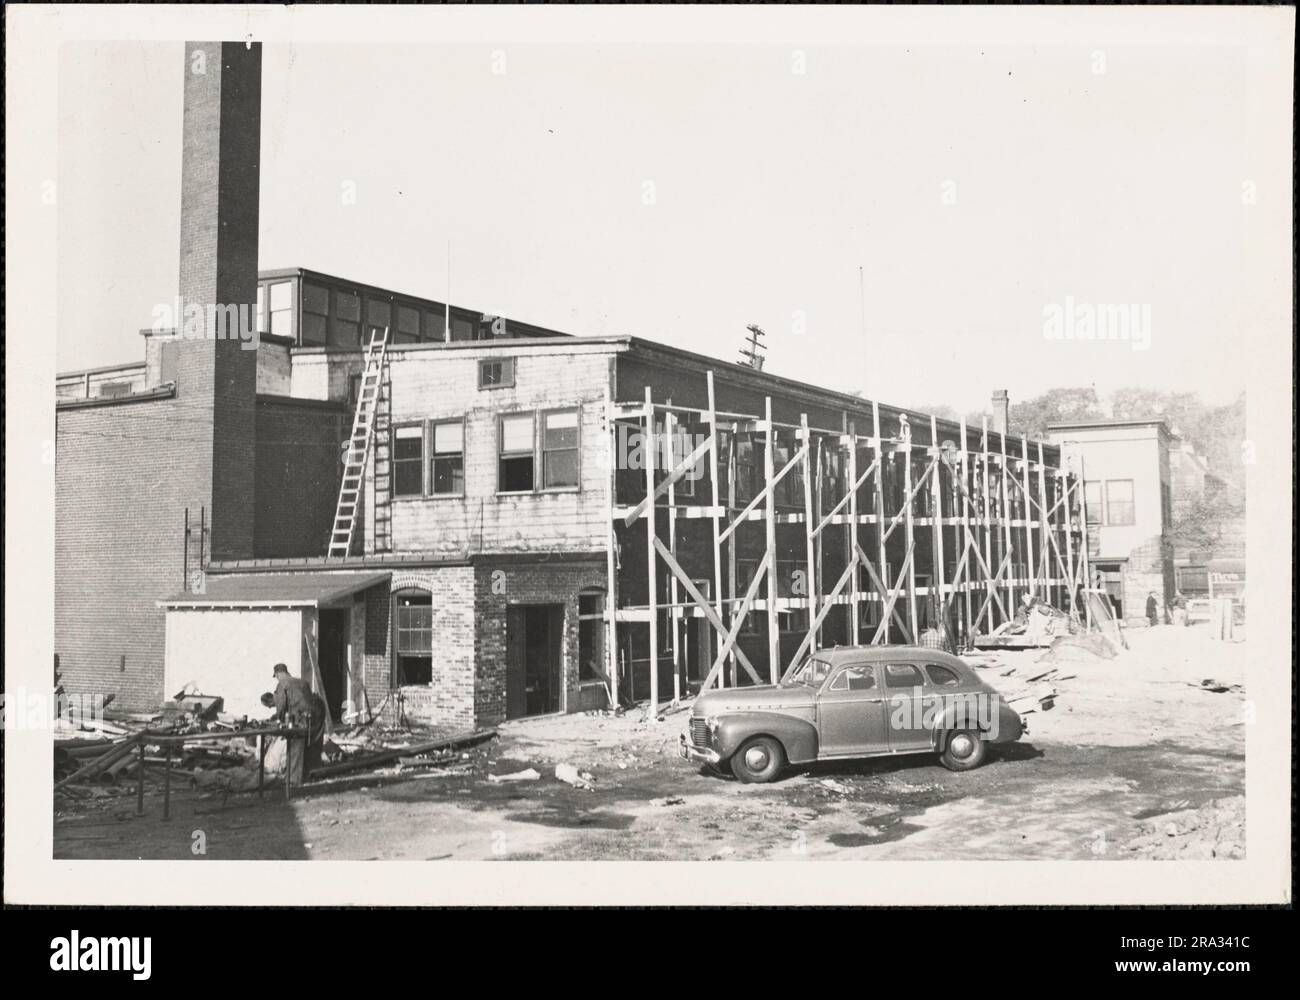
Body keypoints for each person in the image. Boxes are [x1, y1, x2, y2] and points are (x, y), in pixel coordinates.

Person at [270, 663, 327, 784]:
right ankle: (307, 777)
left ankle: (293, 782)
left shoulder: (282, 684)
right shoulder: (303, 682)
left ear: (279, 674)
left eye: (276, 676)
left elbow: (281, 706)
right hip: (313, 720)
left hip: (298, 721)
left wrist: (278, 719)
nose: (277, 678)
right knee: (308, 750)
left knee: (295, 749)